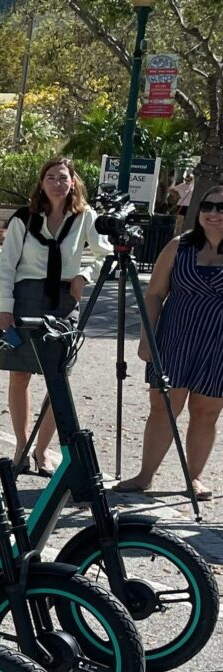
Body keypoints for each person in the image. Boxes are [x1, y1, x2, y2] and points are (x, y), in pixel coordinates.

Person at [0, 157, 110, 477]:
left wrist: (84, 275)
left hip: (64, 301)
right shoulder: (24, 219)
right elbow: (7, 267)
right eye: (50, 178)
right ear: (41, 184)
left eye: (63, 177)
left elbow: (106, 254)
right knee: (20, 375)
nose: (57, 183)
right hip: (25, 299)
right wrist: (5, 309)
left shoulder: (85, 218)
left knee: (57, 380)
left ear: (73, 182)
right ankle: (21, 446)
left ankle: (43, 450)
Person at [115, 185, 223, 501]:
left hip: (218, 346)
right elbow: (154, 295)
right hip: (175, 339)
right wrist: (147, 338)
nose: (213, 213)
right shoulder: (179, 246)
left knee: (206, 412)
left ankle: (194, 479)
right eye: (207, 206)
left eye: (221, 208)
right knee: (163, 408)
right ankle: (145, 476)